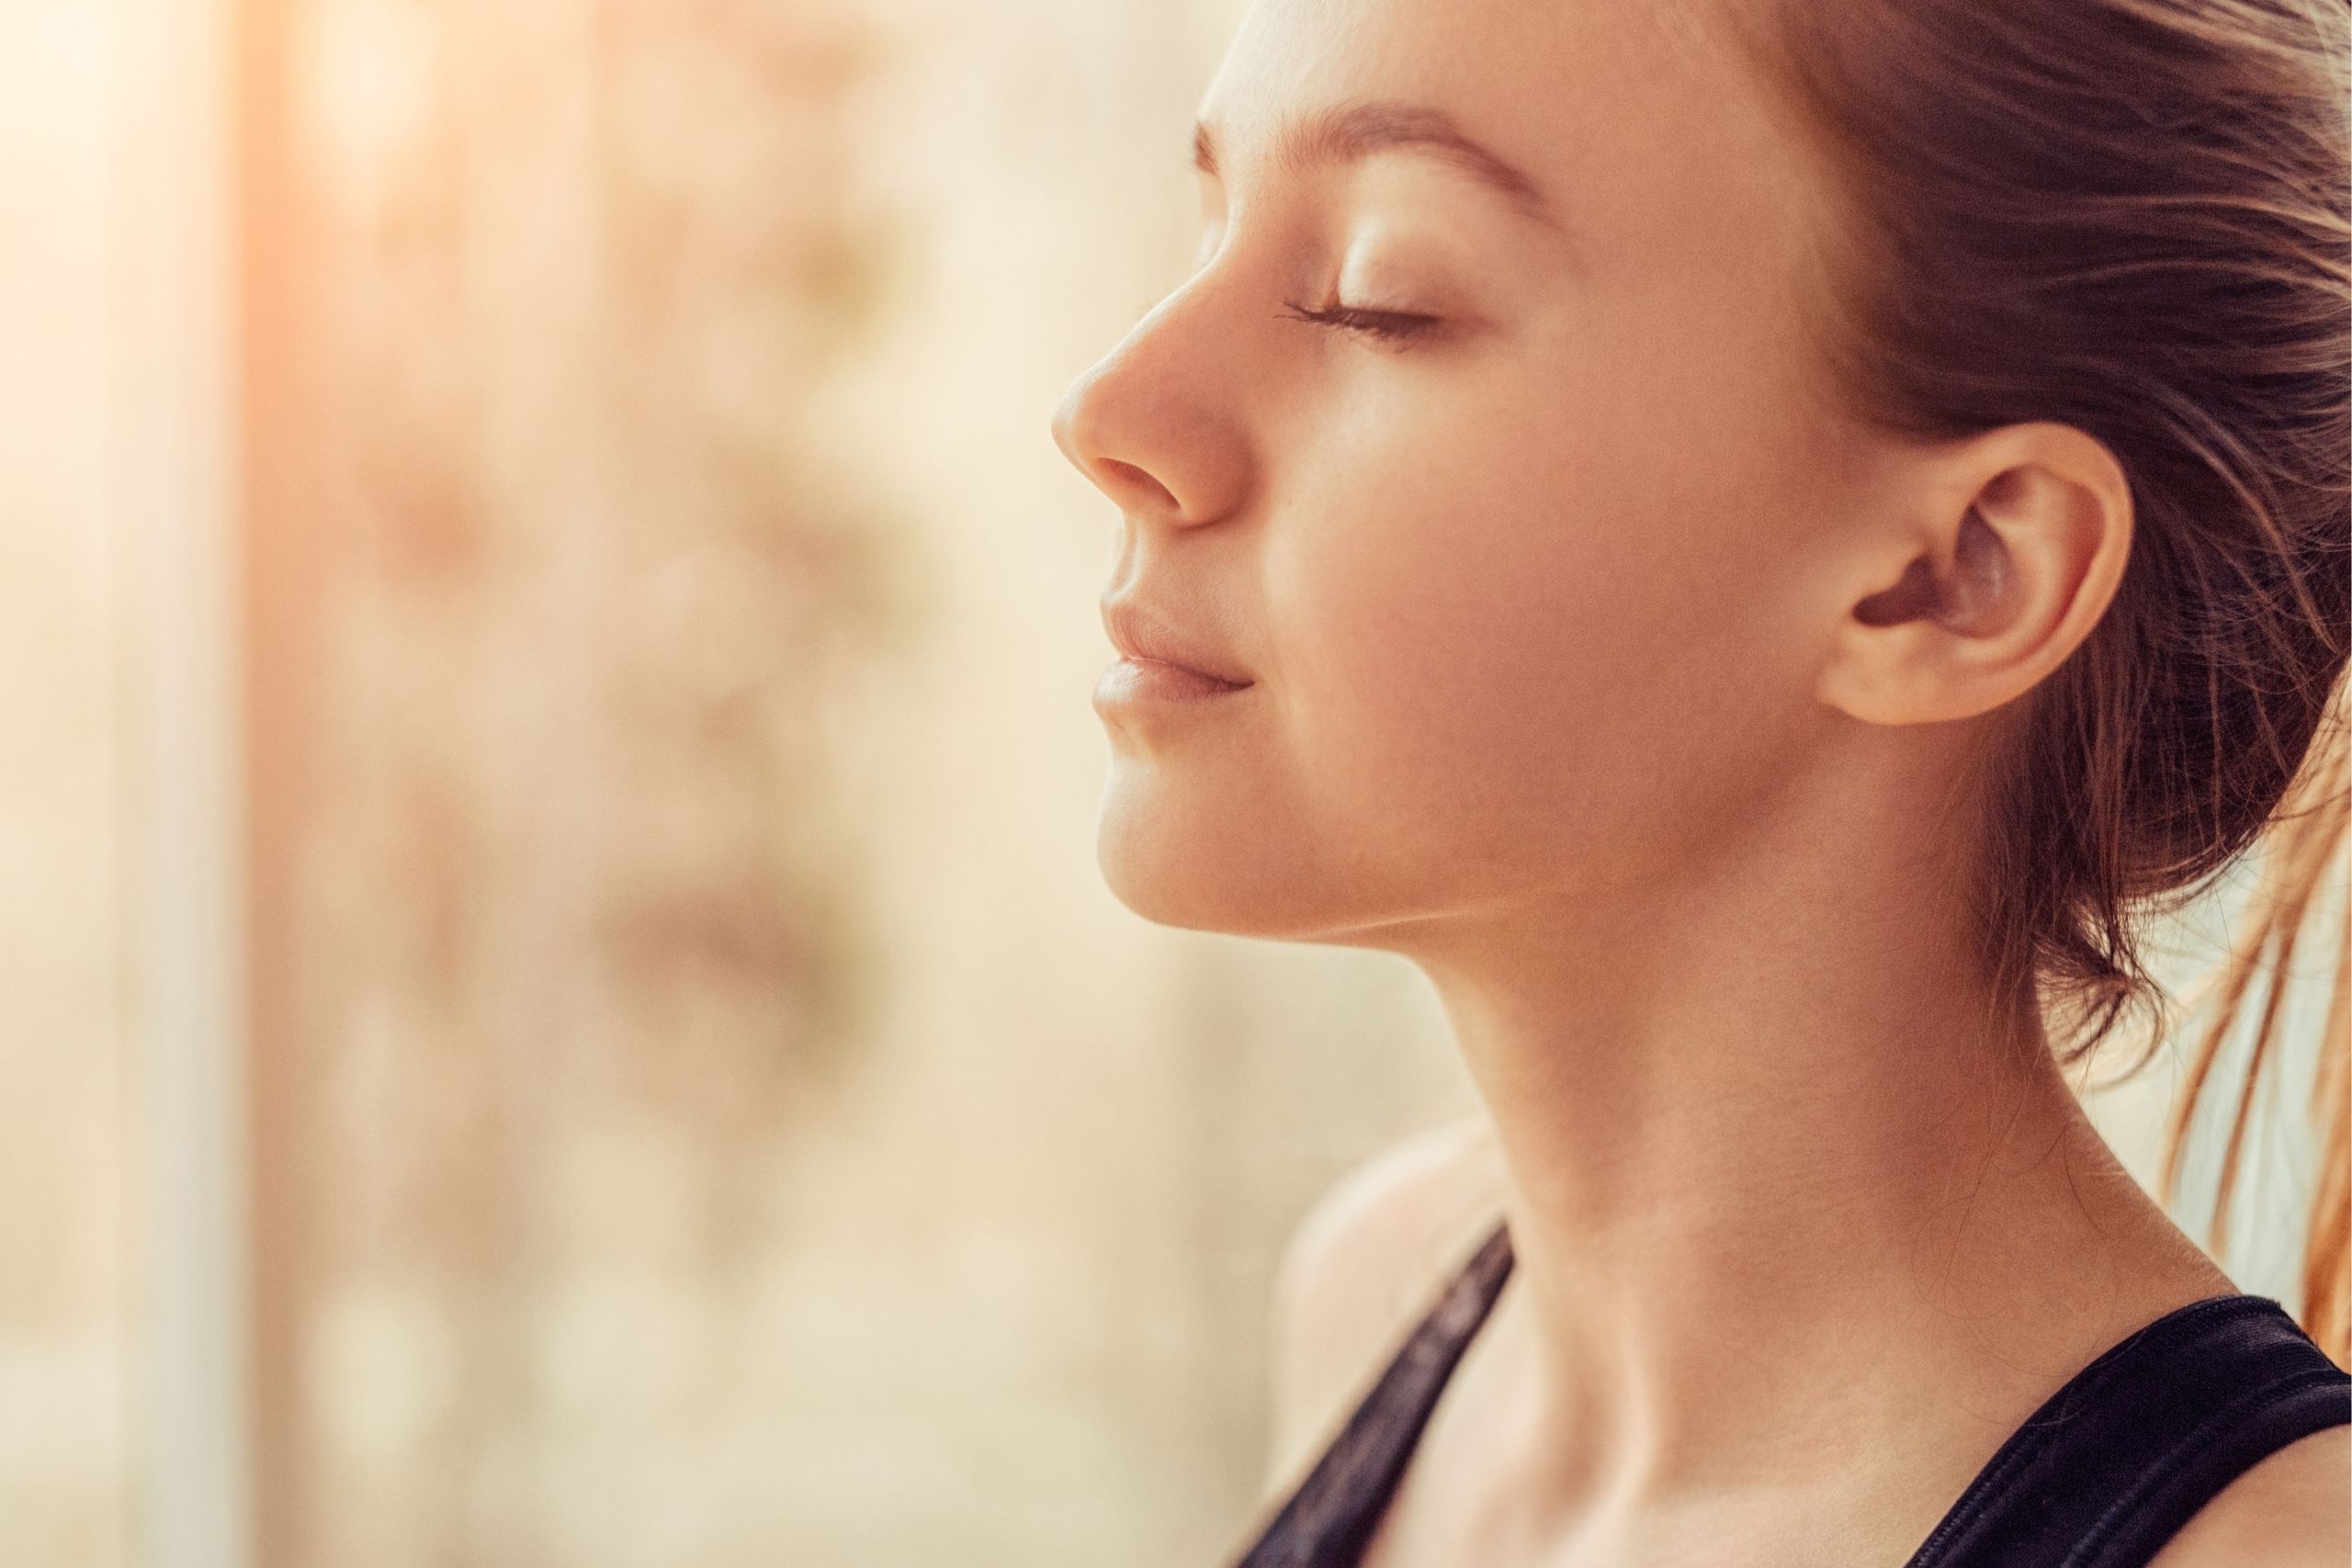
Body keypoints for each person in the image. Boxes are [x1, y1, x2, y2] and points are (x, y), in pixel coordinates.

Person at [1048, 0, 2351, 1562]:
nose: (1107, 413)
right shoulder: (1382, 1296)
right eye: (1210, 228)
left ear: (1957, 574)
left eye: (1375, 298)